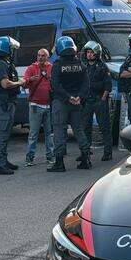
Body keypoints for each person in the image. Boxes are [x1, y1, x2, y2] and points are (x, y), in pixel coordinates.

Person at [48, 36, 90, 172]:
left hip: (61, 102)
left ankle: (59, 163)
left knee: (59, 131)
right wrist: (78, 97)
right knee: (79, 130)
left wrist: (68, 97)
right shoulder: (81, 65)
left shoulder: (57, 65)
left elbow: (55, 85)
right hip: (77, 103)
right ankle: (86, 159)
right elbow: (86, 84)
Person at [0, 36, 25, 175]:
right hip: (4, 102)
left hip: (9, 102)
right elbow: (5, 84)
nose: (13, 51)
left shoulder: (6, 64)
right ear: (7, 49)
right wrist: (20, 82)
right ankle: (0, 164)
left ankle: (4, 161)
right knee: (3, 133)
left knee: (6, 133)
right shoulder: (0, 64)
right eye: (12, 49)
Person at [82, 41, 113, 161]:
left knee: (104, 127)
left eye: (92, 52)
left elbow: (107, 85)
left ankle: (108, 152)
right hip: (87, 101)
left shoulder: (102, 67)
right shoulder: (84, 66)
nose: (89, 55)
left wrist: (103, 99)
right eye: (88, 52)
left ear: (97, 54)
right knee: (85, 127)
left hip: (99, 100)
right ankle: (85, 152)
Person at [23, 48, 54, 167]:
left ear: (47, 57)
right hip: (35, 105)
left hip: (48, 105)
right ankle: (30, 158)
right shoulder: (32, 68)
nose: (40, 57)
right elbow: (24, 82)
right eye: (38, 55)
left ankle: (50, 156)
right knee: (33, 133)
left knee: (49, 133)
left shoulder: (51, 68)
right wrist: (30, 80)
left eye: (43, 55)